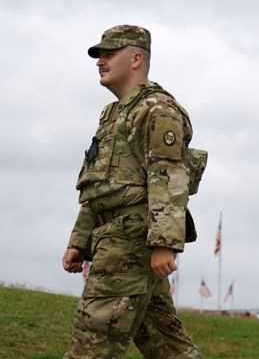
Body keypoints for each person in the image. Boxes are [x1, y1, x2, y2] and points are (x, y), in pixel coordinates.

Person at [61, 25, 204, 358]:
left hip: (130, 241)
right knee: (166, 345)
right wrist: (79, 241)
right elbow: (99, 184)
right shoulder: (112, 114)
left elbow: (168, 177)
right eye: (99, 55)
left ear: (136, 58)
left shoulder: (157, 109)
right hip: (113, 236)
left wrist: (164, 244)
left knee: (92, 341)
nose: (101, 61)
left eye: (109, 54)